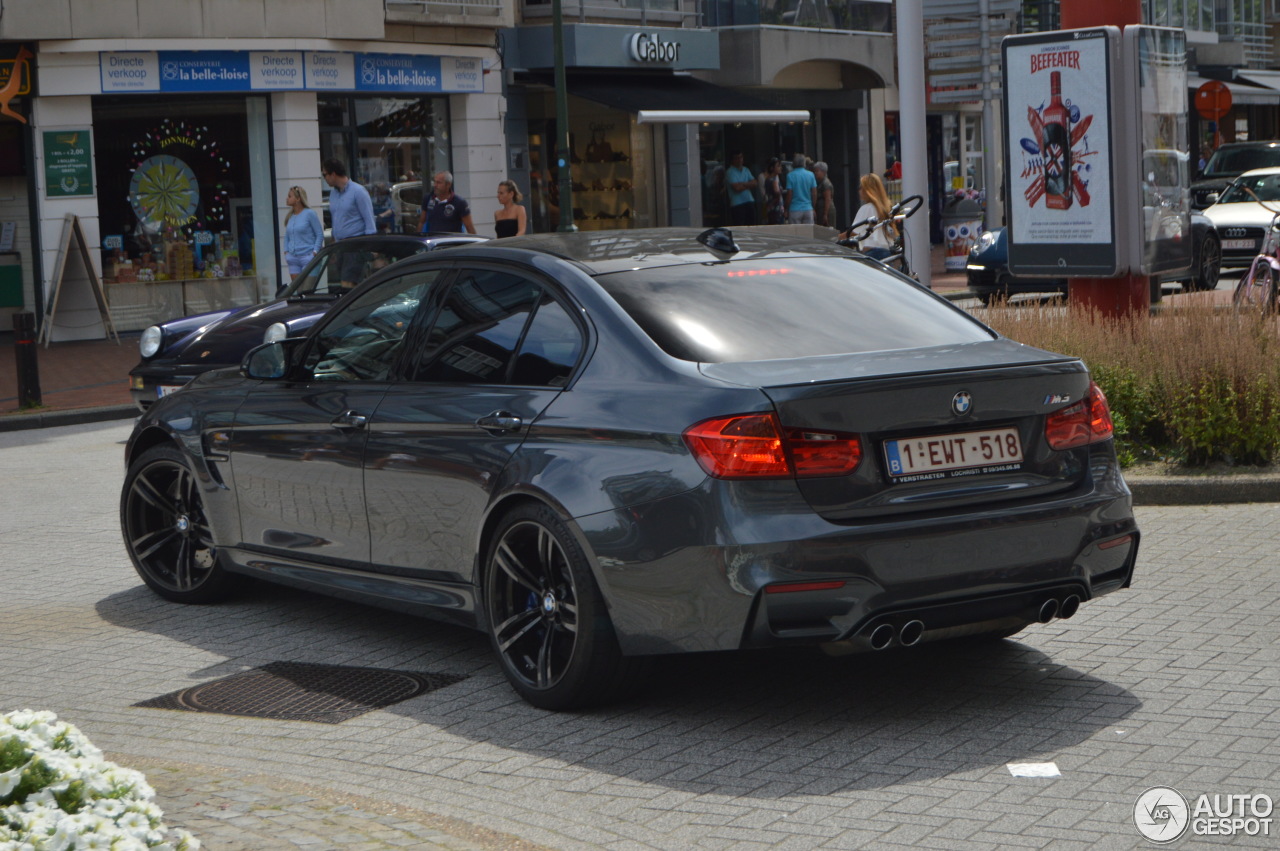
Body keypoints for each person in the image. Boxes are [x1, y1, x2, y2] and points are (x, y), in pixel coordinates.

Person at [321, 158, 376, 289]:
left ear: (333, 174)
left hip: (355, 245)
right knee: (345, 283)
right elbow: (336, 219)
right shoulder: (334, 194)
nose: (324, 178)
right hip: (340, 246)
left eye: (325, 175)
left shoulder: (358, 191)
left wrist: (369, 246)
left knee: (348, 283)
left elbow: (369, 220)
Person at [853, 172, 897, 261]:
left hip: (872, 253)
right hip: (887, 252)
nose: (859, 190)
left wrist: (836, 237)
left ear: (867, 190)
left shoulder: (866, 208)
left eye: (861, 187)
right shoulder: (886, 208)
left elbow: (854, 233)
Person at [282, 186, 323, 280]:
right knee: (296, 291)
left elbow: (319, 234)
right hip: (293, 258)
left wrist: (315, 252)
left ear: (298, 198)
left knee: (307, 289)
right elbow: (287, 236)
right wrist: (286, 252)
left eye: (289, 196)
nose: (287, 198)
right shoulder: (291, 216)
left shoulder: (310, 214)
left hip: (308, 256)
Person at [725, 151, 758, 226]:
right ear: (732, 160)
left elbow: (755, 183)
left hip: (749, 201)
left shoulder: (746, 169)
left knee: (752, 225)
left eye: (741, 157)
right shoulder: (730, 172)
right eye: (737, 158)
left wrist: (742, 183)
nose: (740, 160)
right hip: (737, 204)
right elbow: (737, 188)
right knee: (740, 226)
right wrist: (748, 184)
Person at [785, 154, 817, 225]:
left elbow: (789, 194)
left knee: (795, 234)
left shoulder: (790, 176)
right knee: (808, 233)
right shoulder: (811, 175)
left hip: (794, 209)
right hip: (808, 208)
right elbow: (814, 193)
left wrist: (786, 208)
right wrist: (813, 207)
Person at [761, 157, 786, 224]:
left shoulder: (770, 179)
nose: (780, 168)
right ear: (772, 168)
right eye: (778, 166)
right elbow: (776, 192)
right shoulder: (773, 180)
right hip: (775, 210)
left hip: (774, 209)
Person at [813, 161, 836, 229]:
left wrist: (825, 214)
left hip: (826, 210)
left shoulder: (826, 183)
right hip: (820, 209)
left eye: (817, 171)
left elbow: (827, 199)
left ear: (824, 172)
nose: (815, 173)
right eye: (815, 171)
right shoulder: (818, 182)